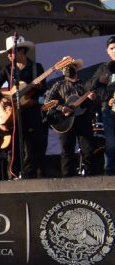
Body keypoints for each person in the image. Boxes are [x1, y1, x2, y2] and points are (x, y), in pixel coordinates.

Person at [0, 36, 47, 179]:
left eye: (11, 52)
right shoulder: (7, 69)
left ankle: (28, 177)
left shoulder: (36, 68)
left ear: (21, 51)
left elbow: (43, 89)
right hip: (14, 114)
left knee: (31, 147)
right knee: (14, 147)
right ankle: (13, 176)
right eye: (8, 52)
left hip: (31, 112)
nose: (9, 55)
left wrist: (38, 88)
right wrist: (2, 99)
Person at [43, 61, 98, 177]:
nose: (67, 69)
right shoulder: (58, 85)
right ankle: (68, 180)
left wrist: (92, 99)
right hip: (65, 122)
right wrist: (62, 108)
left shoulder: (85, 84)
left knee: (88, 149)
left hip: (83, 120)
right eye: (64, 67)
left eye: (70, 66)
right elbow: (47, 103)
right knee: (67, 151)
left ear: (76, 68)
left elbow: (94, 104)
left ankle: (90, 177)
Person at [84, 35, 115, 175]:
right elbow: (88, 85)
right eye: (112, 48)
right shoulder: (104, 67)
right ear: (107, 51)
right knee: (111, 143)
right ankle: (109, 174)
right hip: (109, 110)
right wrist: (101, 80)